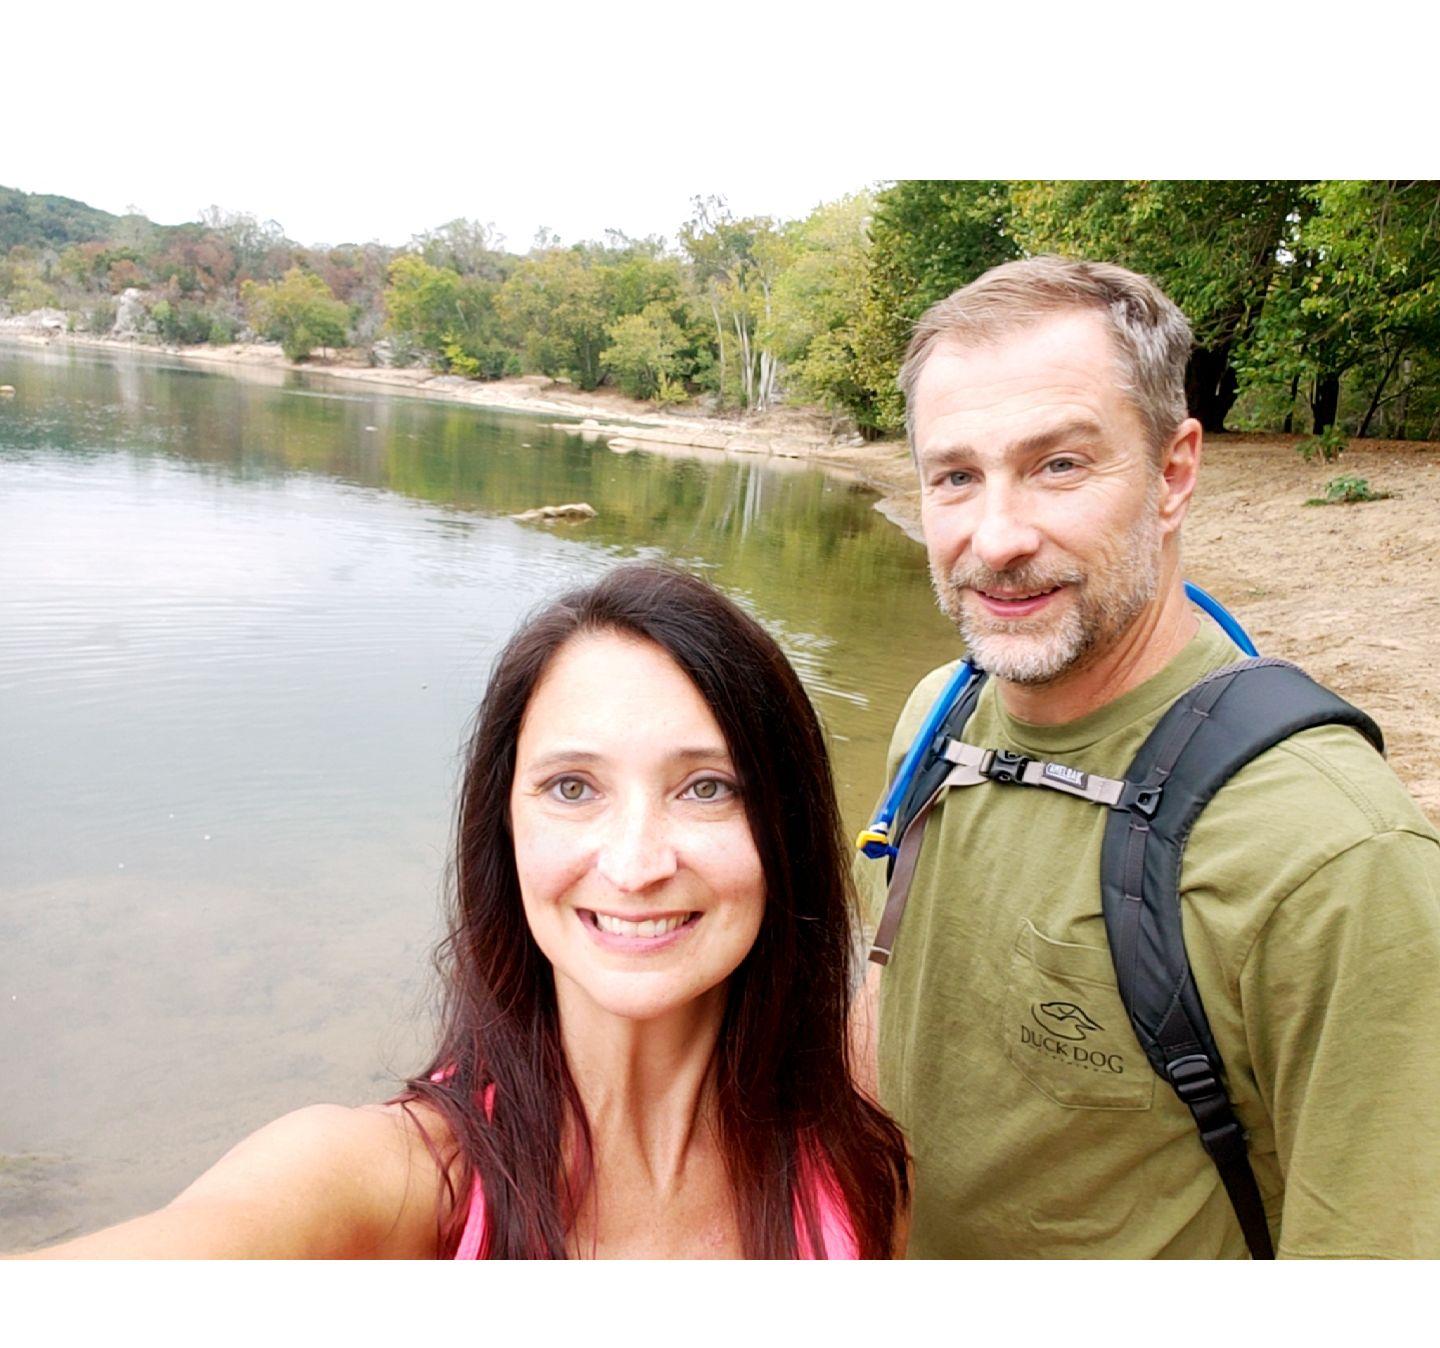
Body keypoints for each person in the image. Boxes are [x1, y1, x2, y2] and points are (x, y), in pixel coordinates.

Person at [20, 564, 908, 1259]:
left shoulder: (858, 1168)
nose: (637, 865)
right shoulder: (397, 1184)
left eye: (707, 788)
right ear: (504, 828)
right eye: (572, 787)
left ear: (784, 828)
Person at [854, 256, 1440, 1259]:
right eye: (956, 475)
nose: (996, 538)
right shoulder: (936, 717)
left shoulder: (1338, 858)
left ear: (1175, 473)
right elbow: (886, 1006)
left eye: (1059, 465)